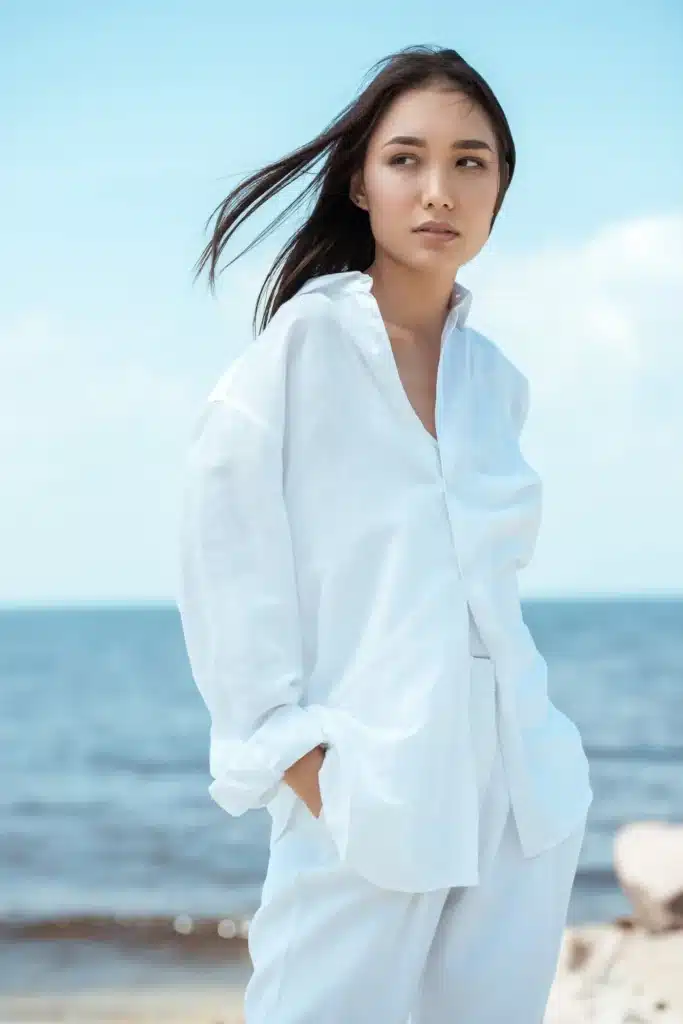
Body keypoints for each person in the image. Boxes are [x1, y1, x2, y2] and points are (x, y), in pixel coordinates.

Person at [176, 44, 594, 1024]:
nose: (437, 189)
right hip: (369, 789)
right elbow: (226, 581)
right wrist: (314, 777)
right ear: (359, 181)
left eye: (470, 161)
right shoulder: (294, 360)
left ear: (498, 187)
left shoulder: (496, 381)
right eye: (405, 158)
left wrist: (546, 762)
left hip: (519, 798)